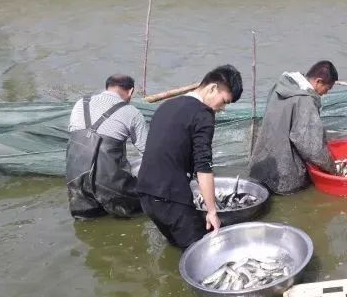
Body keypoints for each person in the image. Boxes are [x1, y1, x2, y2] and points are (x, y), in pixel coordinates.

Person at [137, 65, 242, 250]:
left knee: (179, 247)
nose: (222, 108)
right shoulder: (203, 114)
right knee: (202, 252)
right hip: (169, 198)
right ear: (212, 88)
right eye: (224, 101)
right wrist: (211, 211)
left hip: (145, 194)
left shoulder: (167, 105)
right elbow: (203, 166)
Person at [66, 74, 148, 219]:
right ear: (131, 91)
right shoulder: (132, 113)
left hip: (75, 180)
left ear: (107, 87)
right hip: (110, 185)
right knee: (137, 214)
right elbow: (149, 152)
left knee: (88, 223)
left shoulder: (80, 103)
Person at [249, 61, 338, 194]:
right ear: (319, 81)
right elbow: (312, 148)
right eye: (328, 88)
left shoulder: (281, 85)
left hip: (262, 163)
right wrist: (333, 168)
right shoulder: (305, 101)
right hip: (283, 173)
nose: (326, 93)